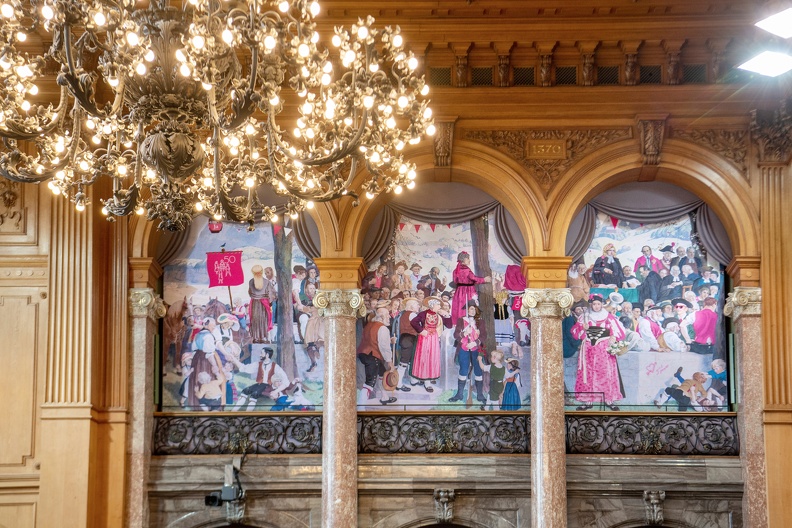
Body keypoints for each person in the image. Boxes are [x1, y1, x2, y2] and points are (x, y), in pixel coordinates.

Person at [571, 294, 626, 411]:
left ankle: (609, 400)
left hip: (604, 350)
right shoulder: (584, 317)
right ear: (591, 304)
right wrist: (582, 328)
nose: (596, 306)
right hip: (588, 350)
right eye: (594, 304)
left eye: (598, 304)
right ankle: (587, 401)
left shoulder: (609, 317)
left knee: (606, 373)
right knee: (587, 375)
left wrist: (613, 338)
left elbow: (618, 332)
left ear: (602, 304)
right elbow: (575, 333)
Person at [410, 296, 452, 392]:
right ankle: (418, 377)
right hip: (424, 338)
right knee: (422, 357)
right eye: (438, 305)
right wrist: (421, 330)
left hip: (434, 339)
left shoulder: (439, 315)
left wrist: (447, 315)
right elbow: (413, 322)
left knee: (432, 358)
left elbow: (449, 325)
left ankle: (427, 381)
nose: (439, 307)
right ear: (433, 305)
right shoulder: (423, 314)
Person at [357, 306, 398, 405]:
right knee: (370, 382)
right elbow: (383, 346)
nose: (389, 317)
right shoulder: (382, 328)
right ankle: (360, 405)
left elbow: (374, 339)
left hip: (364, 354)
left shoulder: (369, 325)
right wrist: (389, 362)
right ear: (381, 317)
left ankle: (384, 397)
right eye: (387, 315)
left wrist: (390, 340)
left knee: (381, 374)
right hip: (372, 355)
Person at [449, 301, 487, 403]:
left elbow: (484, 336)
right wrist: (465, 333)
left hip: (476, 349)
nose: (473, 311)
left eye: (474, 309)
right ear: (467, 310)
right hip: (464, 348)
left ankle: (480, 395)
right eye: (471, 309)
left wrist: (475, 343)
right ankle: (459, 394)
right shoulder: (461, 320)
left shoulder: (481, 321)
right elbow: (456, 335)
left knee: (478, 371)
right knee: (463, 370)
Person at [450, 251, 491, 325]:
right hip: (467, 292)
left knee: (460, 308)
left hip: (459, 293)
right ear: (464, 259)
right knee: (469, 307)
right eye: (468, 259)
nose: (469, 260)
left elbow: (455, 281)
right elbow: (474, 279)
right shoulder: (467, 270)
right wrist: (484, 279)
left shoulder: (455, 271)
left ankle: (460, 325)